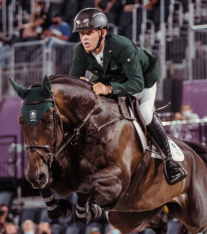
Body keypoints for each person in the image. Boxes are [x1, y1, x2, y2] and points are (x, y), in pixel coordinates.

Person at [69, 8, 186, 185]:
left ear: (103, 32)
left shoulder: (121, 46)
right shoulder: (80, 51)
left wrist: (108, 89)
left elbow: (136, 85)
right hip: (110, 77)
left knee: (146, 112)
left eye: (89, 33)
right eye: (81, 34)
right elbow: (74, 82)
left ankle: (169, 162)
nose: (84, 38)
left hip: (142, 79)